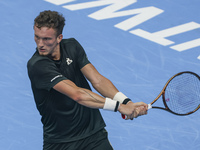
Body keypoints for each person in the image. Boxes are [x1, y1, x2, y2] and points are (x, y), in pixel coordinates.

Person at [27, 10, 148, 150]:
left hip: (94, 135)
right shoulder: (38, 65)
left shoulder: (72, 46)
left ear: (59, 37)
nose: (40, 44)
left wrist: (126, 102)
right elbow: (77, 94)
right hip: (61, 142)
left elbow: (97, 80)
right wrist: (120, 107)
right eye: (37, 37)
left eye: (47, 39)